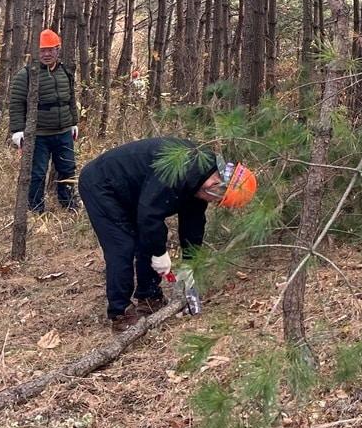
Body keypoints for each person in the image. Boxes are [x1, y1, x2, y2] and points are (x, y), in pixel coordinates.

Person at [78, 137, 258, 332]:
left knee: (148, 236)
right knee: (123, 245)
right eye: (217, 199)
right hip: (101, 184)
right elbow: (149, 215)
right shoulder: (178, 170)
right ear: (216, 182)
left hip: (132, 190)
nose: (214, 202)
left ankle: (149, 296)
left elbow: (193, 224)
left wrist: (190, 263)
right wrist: (159, 253)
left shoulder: (199, 178)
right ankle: (120, 312)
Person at [10, 28, 79, 213]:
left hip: (63, 132)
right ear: (35, 51)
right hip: (38, 135)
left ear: (58, 49)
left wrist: (74, 122)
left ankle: (69, 203)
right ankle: (36, 209)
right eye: (42, 50)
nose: (47, 54)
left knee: (67, 168)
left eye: (51, 49)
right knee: (37, 173)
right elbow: (16, 103)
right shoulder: (25, 75)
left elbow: (70, 98)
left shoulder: (65, 71)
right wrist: (17, 131)